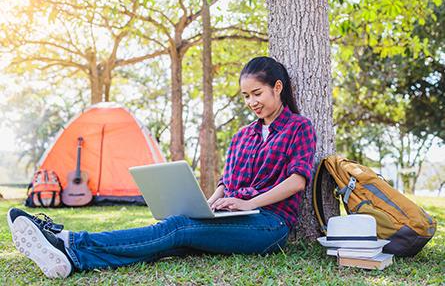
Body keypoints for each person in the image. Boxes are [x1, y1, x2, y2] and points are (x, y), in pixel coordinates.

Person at [7, 56, 317, 278]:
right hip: (233, 216)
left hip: (269, 225)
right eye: (246, 96)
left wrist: (248, 203)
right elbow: (227, 183)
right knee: (166, 240)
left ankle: (69, 240)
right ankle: (72, 259)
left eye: (257, 94)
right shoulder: (242, 135)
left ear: (277, 87)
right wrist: (207, 207)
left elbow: (296, 182)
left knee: (176, 229)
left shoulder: (299, 127)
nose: (252, 102)